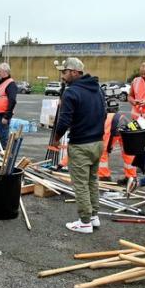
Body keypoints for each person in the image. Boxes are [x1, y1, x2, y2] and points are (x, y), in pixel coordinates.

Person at [53, 57, 106, 233]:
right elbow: (104, 113)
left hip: (81, 144)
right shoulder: (96, 88)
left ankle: (84, 222)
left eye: (65, 72)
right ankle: (93, 216)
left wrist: (56, 137)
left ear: (75, 72)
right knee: (92, 180)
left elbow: (64, 120)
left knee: (81, 183)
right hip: (98, 142)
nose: (62, 75)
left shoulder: (71, 92)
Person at [97, 110, 138, 190]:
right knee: (128, 152)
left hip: (115, 126)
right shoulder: (99, 117)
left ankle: (105, 178)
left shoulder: (98, 124)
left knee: (102, 152)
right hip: (124, 122)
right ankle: (131, 178)